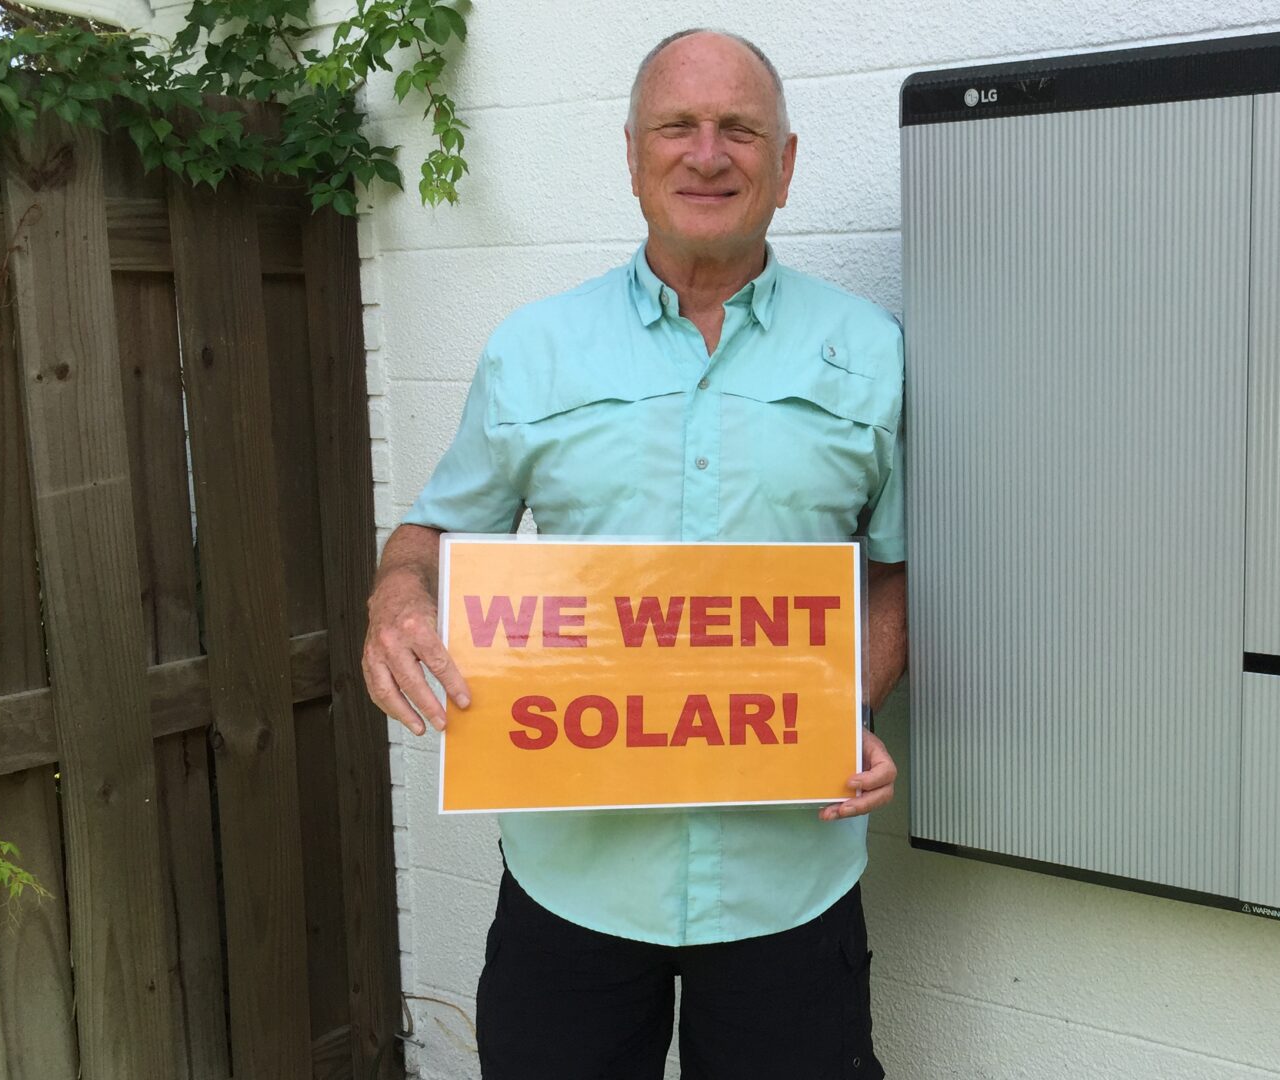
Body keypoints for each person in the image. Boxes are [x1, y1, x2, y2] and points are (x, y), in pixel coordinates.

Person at [360, 27, 904, 1079]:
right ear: (631, 154)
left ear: (785, 164)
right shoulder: (533, 349)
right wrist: (396, 598)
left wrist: (855, 707)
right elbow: (432, 533)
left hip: (789, 875)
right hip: (574, 874)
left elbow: (898, 566)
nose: (709, 154)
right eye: (678, 127)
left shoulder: (874, 355)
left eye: (741, 129)